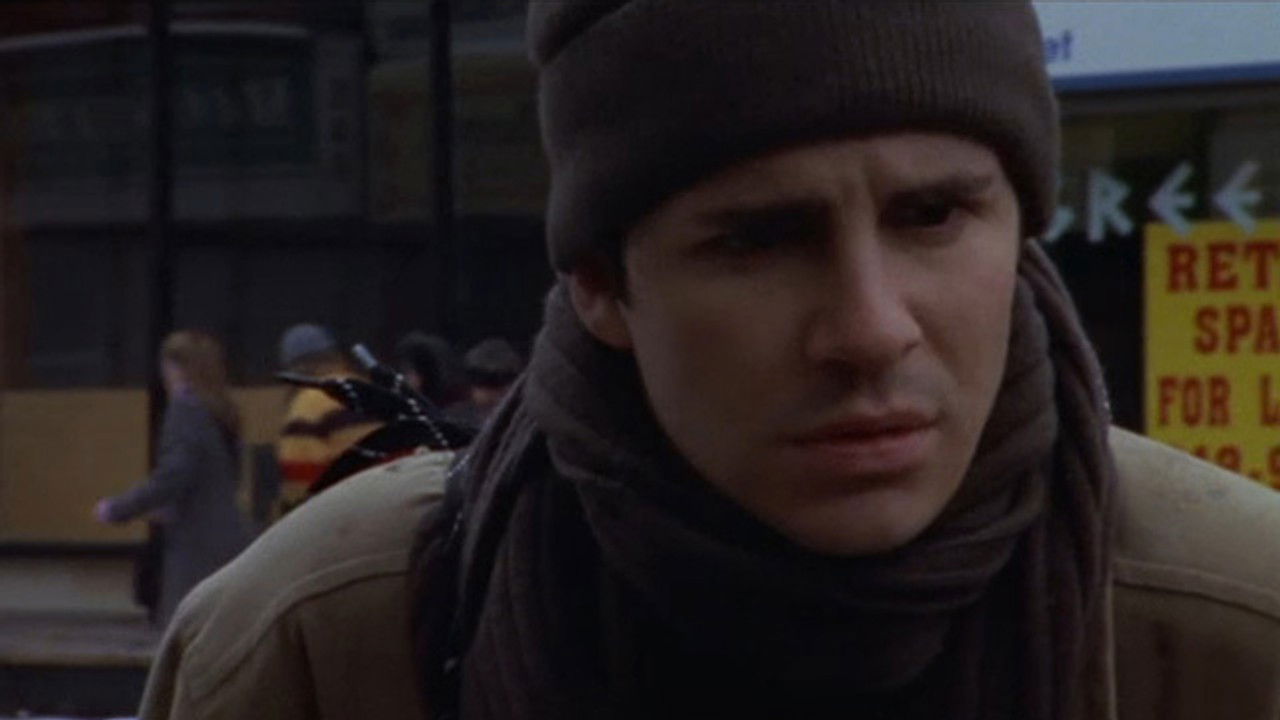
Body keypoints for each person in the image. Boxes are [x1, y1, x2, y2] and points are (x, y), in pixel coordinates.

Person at [139, 3, 1280, 719]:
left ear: (1020, 225)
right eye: (759, 239)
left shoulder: (1237, 627)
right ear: (601, 283)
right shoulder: (323, 643)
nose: (869, 328)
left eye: (933, 215)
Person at [94, 330, 249, 628]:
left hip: (195, 545)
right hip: (229, 537)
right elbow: (218, 475)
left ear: (177, 368)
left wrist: (118, 508)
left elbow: (173, 475)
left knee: (187, 631)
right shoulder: (222, 410)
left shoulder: (185, 409)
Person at [274, 323, 381, 513]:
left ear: (294, 369)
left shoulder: (308, 404)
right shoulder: (370, 391)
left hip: (345, 516)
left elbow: (300, 485)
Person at [448, 336, 524, 431]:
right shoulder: (454, 419)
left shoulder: (525, 422)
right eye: (481, 379)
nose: (493, 391)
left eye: (499, 379)